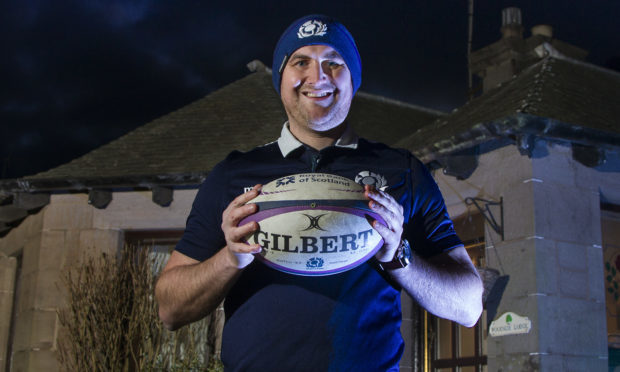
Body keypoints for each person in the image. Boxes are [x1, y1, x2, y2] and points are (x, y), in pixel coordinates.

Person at [155, 14, 483, 371]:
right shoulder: (233, 175)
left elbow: (467, 307)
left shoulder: (402, 171)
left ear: (353, 80)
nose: (318, 77)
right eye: (301, 62)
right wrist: (230, 258)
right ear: (281, 78)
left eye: (333, 63)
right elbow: (170, 310)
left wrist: (398, 255)